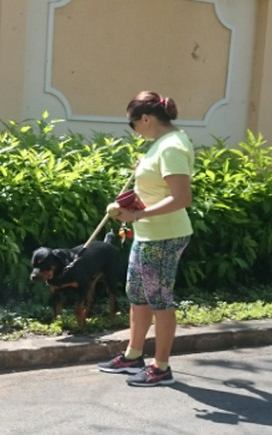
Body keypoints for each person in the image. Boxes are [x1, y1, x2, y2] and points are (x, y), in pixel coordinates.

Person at [98, 91, 194, 387]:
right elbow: (158, 184)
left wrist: (137, 215)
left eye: (133, 124)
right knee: (137, 294)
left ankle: (161, 367)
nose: (134, 130)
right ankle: (133, 356)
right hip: (148, 234)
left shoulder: (171, 147)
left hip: (164, 236)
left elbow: (182, 198)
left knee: (160, 300)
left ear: (147, 119)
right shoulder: (160, 145)